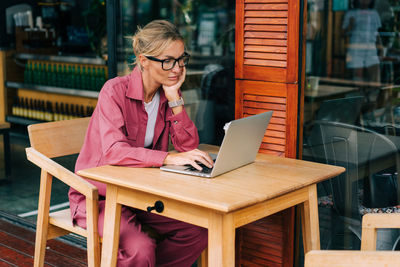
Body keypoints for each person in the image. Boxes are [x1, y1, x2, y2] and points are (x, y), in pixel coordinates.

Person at [68, 20, 213, 266]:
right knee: (141, 248)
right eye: (167, 61)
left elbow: (187, 148)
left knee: (197, 231)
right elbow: (114, 152)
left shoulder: (166, 95)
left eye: (180, 59)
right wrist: (167, 158)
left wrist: (175, 98)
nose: (176, 68)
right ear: (143, 60)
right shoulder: (113, 91)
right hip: (99, 197)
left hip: (140, 195)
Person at [342, 0, 382, 82]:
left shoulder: (374, 14)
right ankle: (360, 93)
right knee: (358, 77)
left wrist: (381, 48)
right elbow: (342, 33)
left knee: (375, 77)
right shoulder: (351, 13)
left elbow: (376, 32)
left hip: (371, 49)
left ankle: (371, 94)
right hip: (356, 49)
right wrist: (350, 25)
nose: (364, 1)